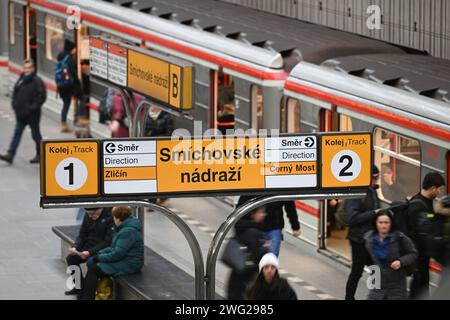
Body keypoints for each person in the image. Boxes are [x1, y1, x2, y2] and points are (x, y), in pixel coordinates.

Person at [80, 207, 144, 300]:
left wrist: (99, 258)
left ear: (118, 218)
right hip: (125, 259)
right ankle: (84, 296)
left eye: (114, 217)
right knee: (93, 266)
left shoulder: (128, 231)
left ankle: (86, 297)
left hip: (130, 263)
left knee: (94, 270)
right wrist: (99, 254)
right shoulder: (123, 228)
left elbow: (117, 254)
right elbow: (113, 247)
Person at [406, 172, 445, 299]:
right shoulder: (418, 206)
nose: (439, 192)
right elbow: (415, 234)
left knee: (421, 287)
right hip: (418, 256)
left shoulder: (426, 202)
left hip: (423, 256)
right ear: (433, 188)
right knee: (418, 289)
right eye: (439, 189)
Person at [344, 165, 381, 300]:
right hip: (359, 240)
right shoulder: (357, 193)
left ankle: (375, 297)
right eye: (374, 177)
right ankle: (349, 297)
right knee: (357, 271)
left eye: (377, 177)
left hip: (370, 238)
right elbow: (352, 218)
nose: (376, 180)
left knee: (375, 268)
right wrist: (373, 213)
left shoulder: (372, 191)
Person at [0, 59, 46, 164]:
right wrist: (14, 104)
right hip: (21, 114)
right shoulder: (21, 80)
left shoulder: (37, 81)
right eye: (25, 68)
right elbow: (16, 92)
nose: (27, 70)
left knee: (35, 135)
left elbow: (41, 96)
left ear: (33, 68)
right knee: (17, 133)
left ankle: (40, 154)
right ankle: (10, 154)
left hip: (32, 115)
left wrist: (32, 108)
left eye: (29, 68)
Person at [364, 210, 417, 300]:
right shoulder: (368, 238)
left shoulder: (400, 237)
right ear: (375, 223)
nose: (383, 226)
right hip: (377, 282)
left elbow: (413, 253)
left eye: (386, 222)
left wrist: (400, 262)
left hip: (396, 284)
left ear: (391, 223)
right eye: (380, 222)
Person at [65, 207, 114, 296]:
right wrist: (75, 247)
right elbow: (82, 235)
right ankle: (78, 287)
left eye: (93, 214)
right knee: (71, 258)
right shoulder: (88, 215)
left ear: (100, 209)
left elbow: (107, 242)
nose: (91, 217)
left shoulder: (110, 217)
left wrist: (90, 252)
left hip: (101, 250)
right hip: (88, 246)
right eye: (89, 214)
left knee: (90, 263)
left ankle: (87, 291)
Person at [227, 206, 268, 300]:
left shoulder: (243, 227)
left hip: (238, 269)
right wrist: (264, 247)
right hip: (247, 273)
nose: (264, 215)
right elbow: (256, 254)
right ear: (253, 214)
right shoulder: (254, 231)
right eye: (261, 212)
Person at [57, 39, 87, 133]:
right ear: (71, 49)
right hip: (71, 85)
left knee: (66, 104)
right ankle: (79, 117)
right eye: (74, 48)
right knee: (82, 98)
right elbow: (73, 72)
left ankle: (63, 124)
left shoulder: (61, 57)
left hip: (62, 85)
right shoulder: (69, 58)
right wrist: (79, 82)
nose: (75, 50)